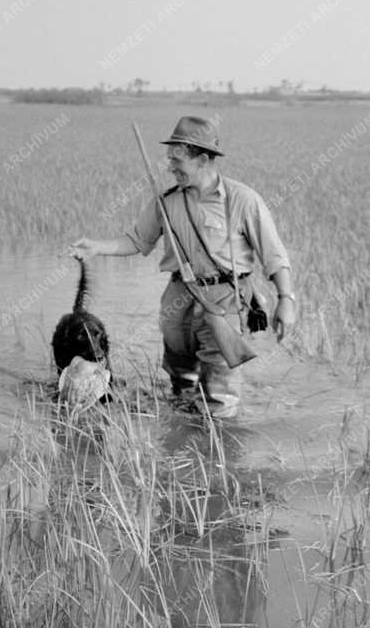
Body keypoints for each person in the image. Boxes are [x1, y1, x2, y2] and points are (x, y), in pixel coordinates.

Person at [70, 116, 295, 419]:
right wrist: (96, 247)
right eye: (169, 159)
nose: (170, 167)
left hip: (225, 301)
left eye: (178, 160)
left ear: (203, 159)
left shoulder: (243, 201)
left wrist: (286, 300)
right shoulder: (166, 202)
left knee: (220, 394)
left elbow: (274, 257)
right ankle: (184, 443)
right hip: (178, 299)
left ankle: (216, 451)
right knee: (181, 382)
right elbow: (137, 241)